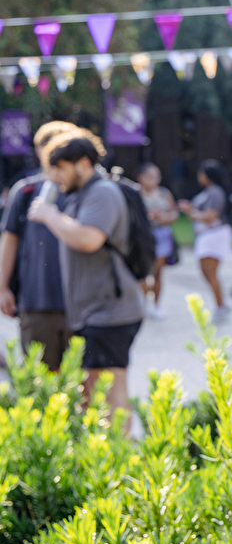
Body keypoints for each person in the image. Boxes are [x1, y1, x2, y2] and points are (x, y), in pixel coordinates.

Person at [27, 131, 143, 430]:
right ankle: (111, 456)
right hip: (97, 312)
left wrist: (50, 214)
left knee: (107, 390)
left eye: (60, 168)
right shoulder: (83, 193)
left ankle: (120, 459)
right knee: (93, 390)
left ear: (83, 163)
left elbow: (89, 239)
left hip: (111, 311)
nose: (55, 177)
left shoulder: (102, 192)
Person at [0, 121, 79, 370]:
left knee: (85, 384)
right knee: (41, 381)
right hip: (36, 301)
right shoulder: (26, 192)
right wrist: (2, 287)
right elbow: (10, 239)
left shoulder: (88, 191)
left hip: (82, 302)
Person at [177, 160, 232, 323]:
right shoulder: (209, 191)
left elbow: (210, 216)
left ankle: (221, 306)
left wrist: (191, 211)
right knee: (206, 272)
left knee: (210, 272)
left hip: (213, 235)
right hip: (206, 236)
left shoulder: (215, 192)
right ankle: (221, 303)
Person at [136, 163, 178, 320]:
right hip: (143, 235)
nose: (153, 180)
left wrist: (164, 218)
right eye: (149, 177)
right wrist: (149, 217)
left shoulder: (164, 193)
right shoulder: (136, 194)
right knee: (142, 271)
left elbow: (174, 214)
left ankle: (155, 305)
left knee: (158, 272)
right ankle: (144, 302)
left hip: (161, 234)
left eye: (156, 176)